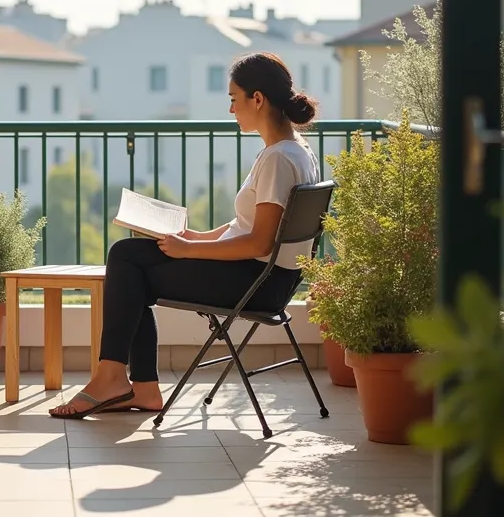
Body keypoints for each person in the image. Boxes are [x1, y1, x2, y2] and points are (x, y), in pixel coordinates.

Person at [49, 51, 322, 419]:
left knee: (126, 259)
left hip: (256, 281)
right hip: (271, 278)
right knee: (131, 260)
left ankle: (116, 379)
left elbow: (259, 242)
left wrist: (188, 249)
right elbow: (244, 226)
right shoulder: (297, 152)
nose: (230, 110)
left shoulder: (277, 159)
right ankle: (135, 386)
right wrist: (195, 237)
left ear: (256, 99)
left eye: (233, 99)